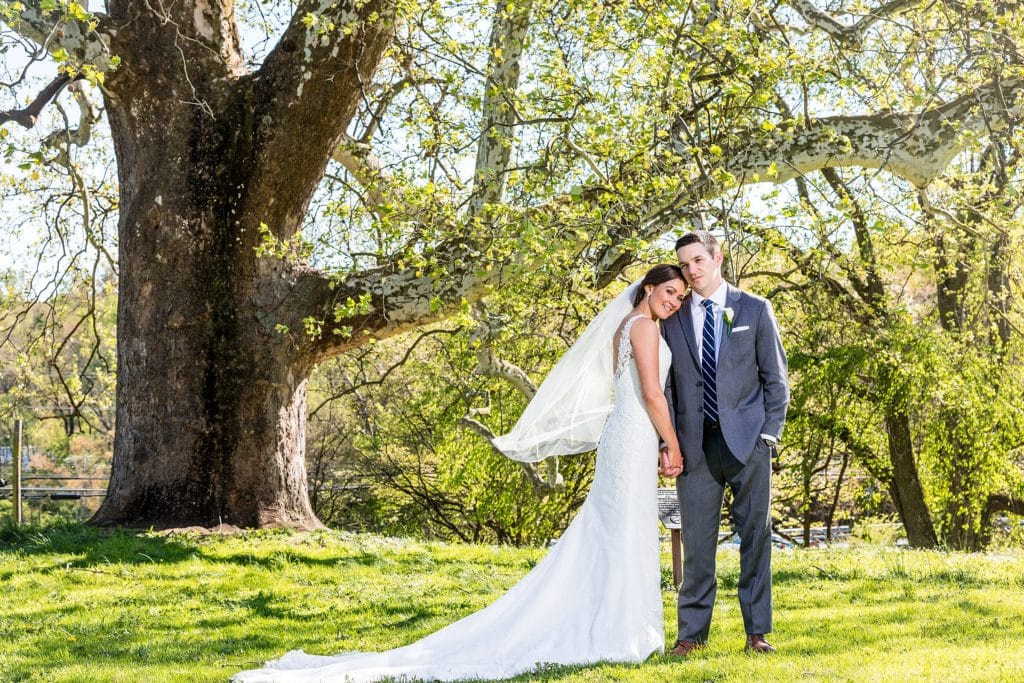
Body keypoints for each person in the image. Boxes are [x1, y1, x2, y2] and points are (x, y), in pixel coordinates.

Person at [234, 264, 687, 682]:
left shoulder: (626, 327)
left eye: (681, 297)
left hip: (625, 436)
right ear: (647, 288)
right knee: (621, 530)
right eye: (669, 291)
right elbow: (650, 393)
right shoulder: (644, 327)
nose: (674, 301)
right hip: (635, 434)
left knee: (614, 531)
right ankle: (620, 628)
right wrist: (672, 441)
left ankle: (615, 621)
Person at [662, 231, 789, 657]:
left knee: (756, 538)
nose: (691, 270)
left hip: (749, 444)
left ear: (717, 258)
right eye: (684, 265)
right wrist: (668, 443)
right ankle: (691, 636)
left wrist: (769, 435)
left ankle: (757, 633)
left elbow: (776, 380)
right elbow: (668, 389)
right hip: (694, 448)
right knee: (697, 544)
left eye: (698, 260)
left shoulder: (754, 309)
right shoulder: (673, 318)